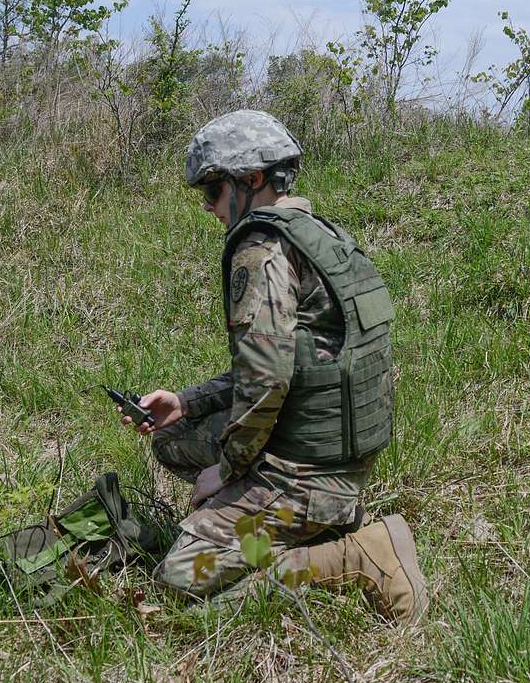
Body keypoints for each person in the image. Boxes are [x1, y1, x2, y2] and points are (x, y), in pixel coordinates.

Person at [123, 110, 426, 621]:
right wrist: (186, 402)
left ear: (252, 180)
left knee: (181, 579)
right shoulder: (320, 235)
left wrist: (227, 470)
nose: (209, 207)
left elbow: (266, 380)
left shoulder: (259, 247)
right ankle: (297, 524)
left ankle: (353, 554)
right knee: (173, 436)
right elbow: (291, 363)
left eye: (213, 191)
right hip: (336, 452)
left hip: (305, 474)